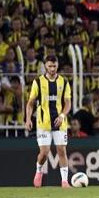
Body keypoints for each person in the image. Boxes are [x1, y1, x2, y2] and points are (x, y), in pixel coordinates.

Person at [25, 54, 72, 188]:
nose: (52, 69)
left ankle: (64, 181)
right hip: (43, 123)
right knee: (44, 153)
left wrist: (62, 115)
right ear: (45, 66)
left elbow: (68, 103)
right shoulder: (38, 82)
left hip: (59, 122)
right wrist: (28, 119)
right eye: (50, 66)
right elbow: (30, 103)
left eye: (54, 66)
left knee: (61, 150)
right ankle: (38, 170)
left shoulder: (64, 82)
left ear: (57, 66)